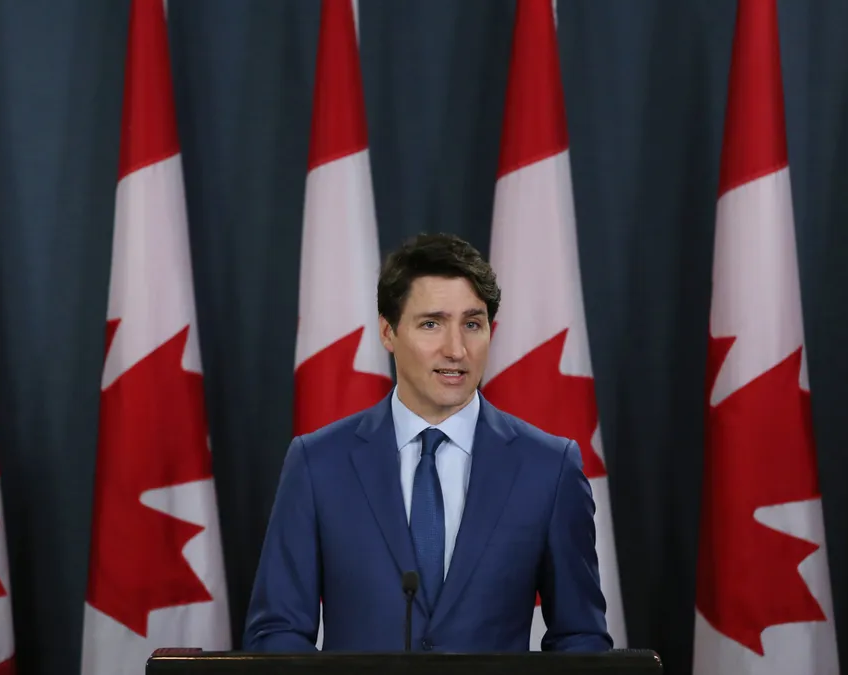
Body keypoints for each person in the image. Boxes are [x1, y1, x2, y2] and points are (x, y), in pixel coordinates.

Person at [243, 233, 612, 653]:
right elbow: (276, 631)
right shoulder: (318, 463)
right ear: (388, 332)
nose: (456, 349)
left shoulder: (549, 467)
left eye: (472, 325)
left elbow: (580, 636)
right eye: (431, 324)